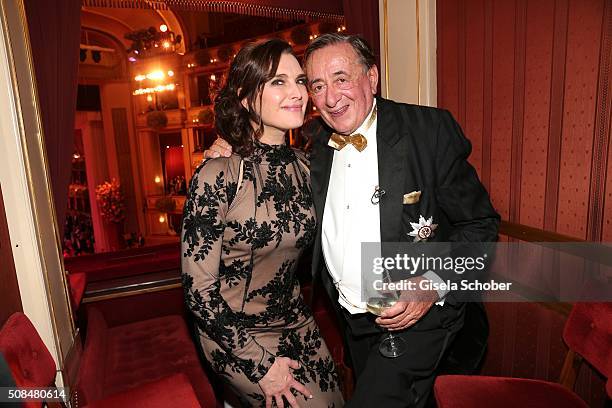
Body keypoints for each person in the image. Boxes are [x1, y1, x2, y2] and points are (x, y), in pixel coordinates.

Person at [206, 34, 499, 407]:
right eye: (318, 85)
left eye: (342, 78)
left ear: (372, 78)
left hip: (423, 319)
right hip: (354, 325)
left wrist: (432, 281)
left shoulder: (428, 131)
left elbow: (481, 225)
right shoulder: (312, 146)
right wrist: (231, 147)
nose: (331, 97)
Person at [181, 39, 344, 408]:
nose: (297, 93)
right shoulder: (218, 173)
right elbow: (198, 293)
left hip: (296, 321)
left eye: (300, 81)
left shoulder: (307, 166)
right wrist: (261, 365)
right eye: (278, 82)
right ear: (244, 96)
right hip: (231, 332)